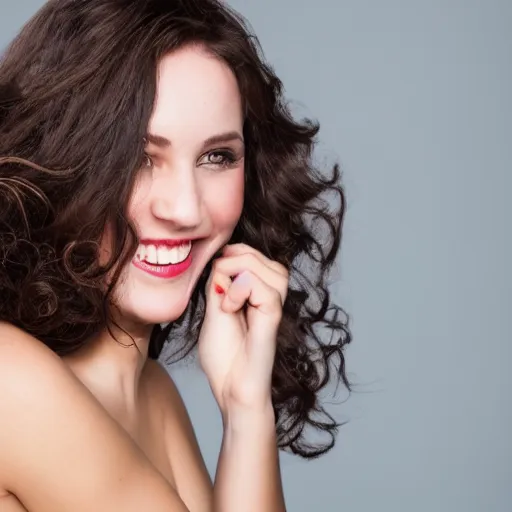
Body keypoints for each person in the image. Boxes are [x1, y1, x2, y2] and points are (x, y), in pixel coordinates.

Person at [0, 0, 351, 510]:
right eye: (141, 158)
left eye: (216, 157)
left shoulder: (154, 395)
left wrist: (245, 410)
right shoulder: (10, 380)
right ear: (62, 159)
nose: (185, 208)